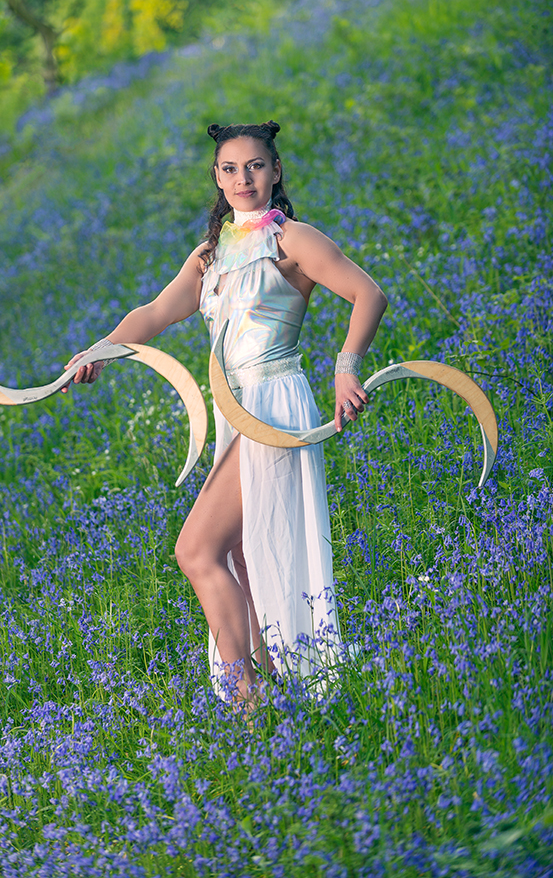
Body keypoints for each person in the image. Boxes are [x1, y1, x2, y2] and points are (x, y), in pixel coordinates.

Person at [64, 121, 388, 705]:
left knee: (196, 550)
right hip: (232, 409)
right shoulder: (211, 254)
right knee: (242, 555)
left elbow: (369, 294)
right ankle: (280, 691)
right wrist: (99, 352)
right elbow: (156, 312)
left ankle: (248, 702)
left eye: (256, 166)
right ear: (217, 177)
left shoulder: (294, 240)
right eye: (231, 168)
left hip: (273, 406)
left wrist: (346, 367)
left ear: (276, 170)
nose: (244, 178)